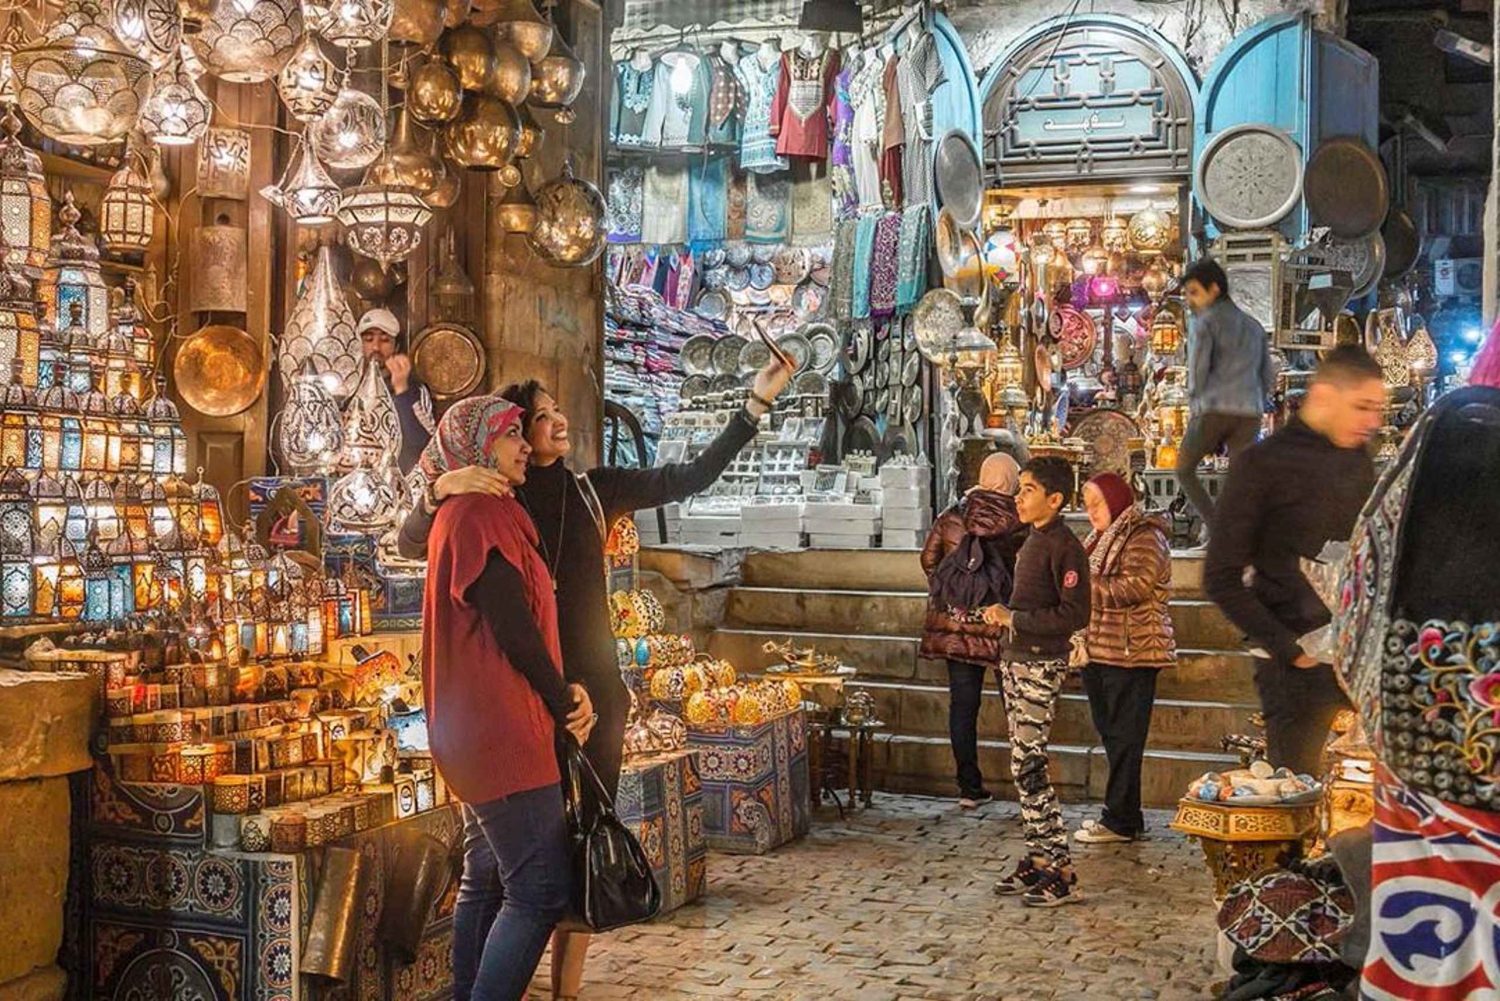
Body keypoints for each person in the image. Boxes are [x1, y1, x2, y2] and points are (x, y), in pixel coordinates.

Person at [399, 359, 792, 999]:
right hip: (524, 700)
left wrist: (753, 406)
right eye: (538, 417)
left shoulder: (590, 491)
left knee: (576, 850)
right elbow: (415, 541)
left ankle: (565, 990)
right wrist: (439, 485)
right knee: (503, 871)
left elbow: (688, 476)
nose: (558, 423)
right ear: (504, 436)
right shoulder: (486, 501)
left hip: (588, 697)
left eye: (552, 413)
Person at [419, 394, 598, 1001]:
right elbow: (512, 626)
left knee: (488, 875)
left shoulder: (479, 510)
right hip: (502, 730)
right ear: (479, 447)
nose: (525, 446)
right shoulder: (479, 516)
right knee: (539, 890)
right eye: (512, 434)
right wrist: (562, 698)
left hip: (475, 729)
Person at [1204, 345, 1382, 777]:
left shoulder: (1359, 462)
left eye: (1378, 409)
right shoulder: (1261, 464)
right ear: (1324, 396)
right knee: (1296, 791)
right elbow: (1221, 576)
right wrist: (1288, 648)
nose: (1373, 422)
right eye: (1362, 407)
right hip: (1294, 668)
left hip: (1358, 657)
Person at [981, 456, 1091, 906]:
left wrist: (1015, 619)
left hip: (1040, 664)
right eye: (1019, 488)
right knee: (1021, 764)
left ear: (1055, 499)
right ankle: (1039, 856)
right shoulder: (1032, 540)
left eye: (1028, 490)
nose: (1019, 498)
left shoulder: (1065, 546)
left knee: (1030, 766)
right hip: (1016, 659)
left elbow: (1074, 613)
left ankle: (1062, 868)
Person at [919, 453, 1027, 810]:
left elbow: (928, 560)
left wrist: (955, 592)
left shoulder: (953, 515)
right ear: (1012, 479)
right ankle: (1028, 788)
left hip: (957, 624)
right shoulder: (1021, 518)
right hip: (1001, 626)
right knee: (1018, 709)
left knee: (963, 706)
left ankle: (969, 787)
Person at [1074, 473, 1175, 845]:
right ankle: (1126, 815)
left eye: (1097, 504)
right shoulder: (1098, 539)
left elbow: (1134, 586)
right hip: (1101, 648)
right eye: (1087, 505)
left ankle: (1118, 819)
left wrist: (1080, 584)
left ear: (1116, 501)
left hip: (1133, 649)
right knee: (1112, 733)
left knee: (1125, 737)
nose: (1091, 512)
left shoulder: (1144, 536)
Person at [1175, 259, 1276, 537]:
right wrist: (1258, 403)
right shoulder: (1254, 326)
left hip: (1214, 410)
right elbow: (1267, 375)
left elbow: (1198, 370)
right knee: (1239, 478)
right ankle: (1243, 533)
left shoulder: (1204, 322)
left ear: (1214, 289)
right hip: (1250, 414)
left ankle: (1216, 526)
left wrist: (1195, 405)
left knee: (1184, 469)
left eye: (1194, 292)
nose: (1190, 300)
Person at [358, 307, 435, 473]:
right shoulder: (348, 386)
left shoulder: (415, 390)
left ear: (396, 346)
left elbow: (424, 444)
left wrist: (402, 390)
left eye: (385, 340)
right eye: (368, 339)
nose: (376, 347)